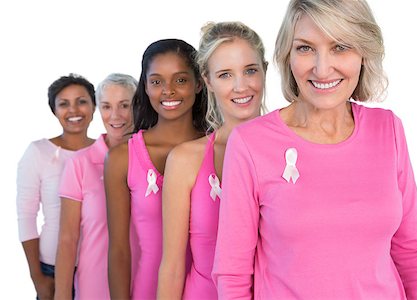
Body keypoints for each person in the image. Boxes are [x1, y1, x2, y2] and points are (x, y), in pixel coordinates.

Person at [211, 0, 417, 299]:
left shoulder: (388, 130)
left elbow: (414, 256)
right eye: (305, 48)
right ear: (287, 55)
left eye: (340, 46)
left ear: (363, 53)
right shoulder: (250, 144)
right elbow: (233, 274)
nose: (321, 68)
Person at [157, 22, 267, 300]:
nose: (241, 86)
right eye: (225, 74)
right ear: (207, 81)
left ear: (265, 70)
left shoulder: (291, 151)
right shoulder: (185, 160)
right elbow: (171, 267)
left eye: (250, 70)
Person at [104, 39, 208, 300]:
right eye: (157, 81)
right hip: (147, 292)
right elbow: (118, 250)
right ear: (145, 87)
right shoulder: (122, 158)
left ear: (198, 83)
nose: (168, 91)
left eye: (180, 80)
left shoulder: (220, 149)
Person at [54, 73, 138, 300]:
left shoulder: (154, 159)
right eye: (106, 106)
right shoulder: (80, 164)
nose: (115, 116)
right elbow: (67, 239)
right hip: (95, 288)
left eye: (124, 105)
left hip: (147, 284)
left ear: (138, 106)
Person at [16, 74, 96, 300]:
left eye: (81, 101)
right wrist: (37, 277)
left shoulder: (108, 152)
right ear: (54, 110)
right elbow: (26, 217)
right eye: (64, 104)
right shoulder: (38, 152)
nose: (74, 110)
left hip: (96, 267)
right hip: (51, 267)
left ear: (94, 106)